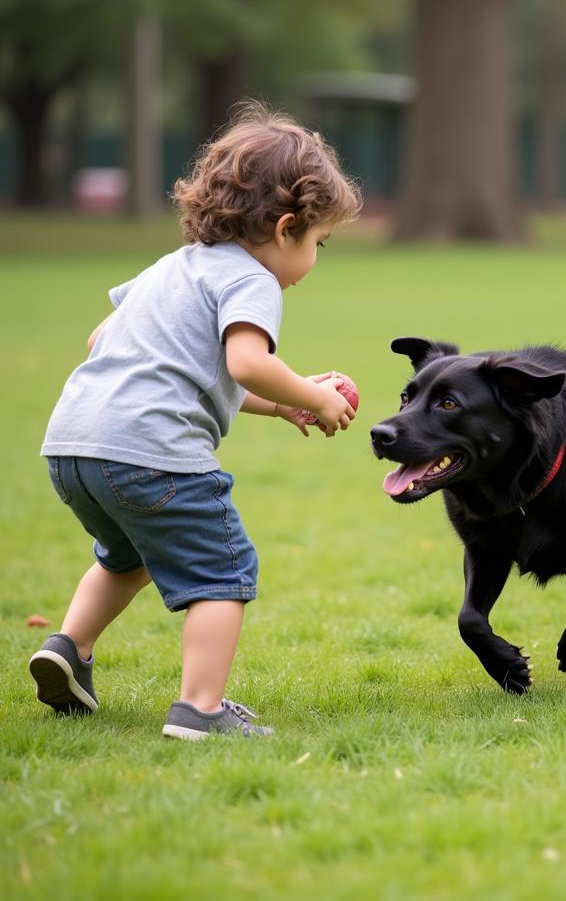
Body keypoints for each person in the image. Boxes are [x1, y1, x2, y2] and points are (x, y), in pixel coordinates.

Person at [30, 102, 362, 740]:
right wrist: (314, 396)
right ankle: (200, 711)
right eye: (318, 242)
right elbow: (246, 362)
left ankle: (69, 650)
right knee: (222, 572)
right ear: (287, 227)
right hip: (152, 454)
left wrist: (284, 401)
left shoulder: (172, 267)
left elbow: (105, 340)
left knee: (125, 556)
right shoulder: (252, 280)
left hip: (74, 446)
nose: (314, 259)